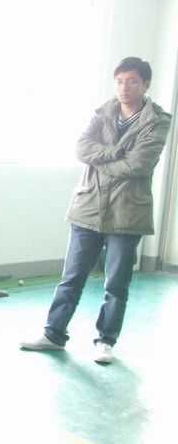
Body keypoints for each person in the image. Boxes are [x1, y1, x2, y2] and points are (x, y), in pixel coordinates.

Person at [21, 57, 171, 365]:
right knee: (71, 277)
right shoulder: (103, 113)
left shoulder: (157, 121)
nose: (124, 88)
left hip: (127, 213)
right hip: (88, 206)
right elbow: (81, 149)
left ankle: (106, 341)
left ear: (145, 85)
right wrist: (115, 152)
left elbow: (139, 164)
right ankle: (53, 334)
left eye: (132, 81)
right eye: (119, 81)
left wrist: (100, 159)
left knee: (116, 284)